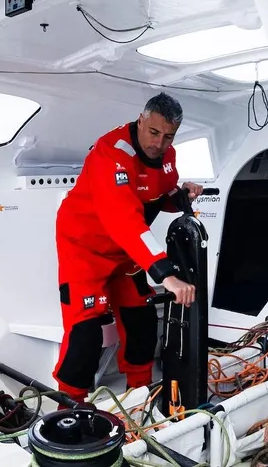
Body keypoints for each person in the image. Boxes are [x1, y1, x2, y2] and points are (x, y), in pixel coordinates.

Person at [53, 92, 203, 404]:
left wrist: (180, 197)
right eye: (154, 132)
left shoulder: (167, 155)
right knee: (85, 333)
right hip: (85, 249)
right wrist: (166, 275)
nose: (159, 143)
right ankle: (68, 408)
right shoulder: (111, 154)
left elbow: (158, 195)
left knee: (142, 321)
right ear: (141, 121)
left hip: (126, 252)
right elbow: (124, 219)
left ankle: (140, 397)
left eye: (168, 136)